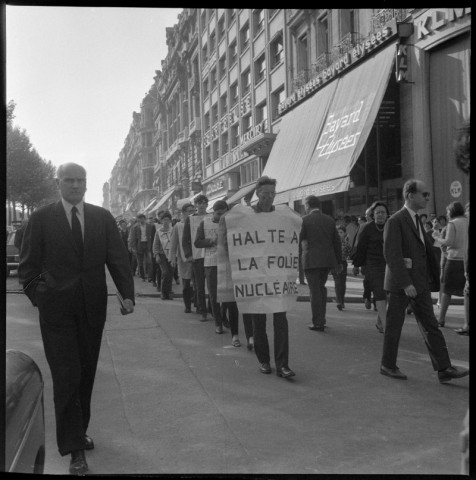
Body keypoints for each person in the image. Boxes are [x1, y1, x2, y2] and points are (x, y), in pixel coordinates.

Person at [18, 162, 135, 475]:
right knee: (68, 376)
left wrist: (127, 294)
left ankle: (78, 432)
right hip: (56, 313)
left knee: (85, 375)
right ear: (59, 184)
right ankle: (74, 451)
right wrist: (40, 297)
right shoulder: (42, 218)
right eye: (68, 180)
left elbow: (118, 258)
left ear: (86, 184)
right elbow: (28, 267)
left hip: (91, 309)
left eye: (80, 180)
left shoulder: (101, 217)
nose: (74, 185)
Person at [380, 178, 469, 383]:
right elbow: (392, 255)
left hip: (419, 283)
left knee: (431, 325)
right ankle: (388, 365)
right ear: (410, 196)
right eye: (424, 194)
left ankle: (444, 368)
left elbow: (422, 250)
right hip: (402, 284)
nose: (427, 198)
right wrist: (405, 283)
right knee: (394, 325)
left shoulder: (417, 220)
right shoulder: (396, 220)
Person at [245, 176, 296, 377]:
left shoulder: (282, 215)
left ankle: (283, 364)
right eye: (265, 194)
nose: (269, 198)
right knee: (259, 322)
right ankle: (264, 360)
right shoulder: (246, 216)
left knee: (280, 320)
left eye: (272, 194)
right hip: (256, 277)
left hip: (278, 276)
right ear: (258, 194)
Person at [300, 195, 342, 331]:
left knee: (314, 291)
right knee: (321, 288)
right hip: (327, 261)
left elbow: (298, 240)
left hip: (311, 260)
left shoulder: (304, 220)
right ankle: (321, 319)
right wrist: (338, 261)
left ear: (307, 205)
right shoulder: (329, 220)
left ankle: (317, 322)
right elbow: (337, 242)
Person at [352, 201, 390, 333]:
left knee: (387, 294)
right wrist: (356, 265)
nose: (380, 215)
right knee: (380, 292)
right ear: (373, 215)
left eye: (383, 212)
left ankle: (380, 322)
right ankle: (386, 326)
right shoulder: (366, 227)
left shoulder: (391, 226)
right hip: (373, 265)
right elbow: (360, 247)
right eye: (377, 212)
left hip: (389, 264)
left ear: (387, 214)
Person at [194, 200, 229, 334]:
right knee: (214, 294)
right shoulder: (204, 223)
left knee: (226, 294)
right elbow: (197, 242)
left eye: (224, 214)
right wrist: (210, 241)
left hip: (225, 261)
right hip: (210, 263)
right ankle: (218, 323)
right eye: (219, 214)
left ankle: (223, 315)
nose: (221, 217)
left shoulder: (228, 222)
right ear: (213, 212)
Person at [433, 201, 468, 330]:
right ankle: (467, 321)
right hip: (466, 259)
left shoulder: (452, 223)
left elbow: (449, 242)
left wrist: (437, 237)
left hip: (453, 260)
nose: (447, 214)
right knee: (467, 292)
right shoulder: (467, 221)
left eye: (448, 212)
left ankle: (441, 319)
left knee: (447, 291)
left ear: (452, 212)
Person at [182, 194, 210, 321]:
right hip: (196, 256)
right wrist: (188, 255)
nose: (202, 206)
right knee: (199, 285)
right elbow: (185, 239)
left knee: (211, 285)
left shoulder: (211, 217)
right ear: (196, 205)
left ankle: (211, 308)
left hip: (210, 255)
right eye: (199, 203)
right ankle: (202, 309)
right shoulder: (190, 219)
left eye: (204, 203)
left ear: (207, 205)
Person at [169, 203, 195, 312]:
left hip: (197, 258)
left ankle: (197, 303)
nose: (192, 213)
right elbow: (173, 244)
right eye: (189, 211)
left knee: (197, 283)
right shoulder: (178, 226)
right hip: (184, 259)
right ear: (184, 213)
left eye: (193, 211)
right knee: (186, 283)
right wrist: (172, 259)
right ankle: (187, 305)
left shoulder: (197, 223)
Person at [153, 211, 174, 300]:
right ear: (161, 221)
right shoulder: (158, 231)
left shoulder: (173, 230)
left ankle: (168, 292)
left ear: (170, 221)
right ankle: (163, 292)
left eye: (167, 220)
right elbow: (155, 244)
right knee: (165, 273)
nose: (166, 221)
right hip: (162, 255)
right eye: (164, 220)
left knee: (171, 274)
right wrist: (156, 255)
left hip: (172, 255)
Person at [331, 224, 351, 311]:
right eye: (338, 232)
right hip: (335, 264)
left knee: (342, 283)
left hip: (343, 264)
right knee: (337, 282)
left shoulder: (346, 244)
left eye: (341, 232)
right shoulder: (332, 243)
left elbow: (350, 254)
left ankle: (342, 301)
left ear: (345, 233)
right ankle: (339, 301)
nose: (339, 234)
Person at [130, 213, 154, 282]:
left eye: (142, 218)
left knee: (149, 262)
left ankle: (150, 277)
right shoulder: (135, 227)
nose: (141, 220)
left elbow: (152, 236)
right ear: (138, 219)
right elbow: (133, 238)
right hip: (139, 245)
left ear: (144, 219)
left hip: (147, 245)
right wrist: (133, 248)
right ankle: (142, 276)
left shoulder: (149, 226)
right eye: (140, 218)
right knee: (140, 263)